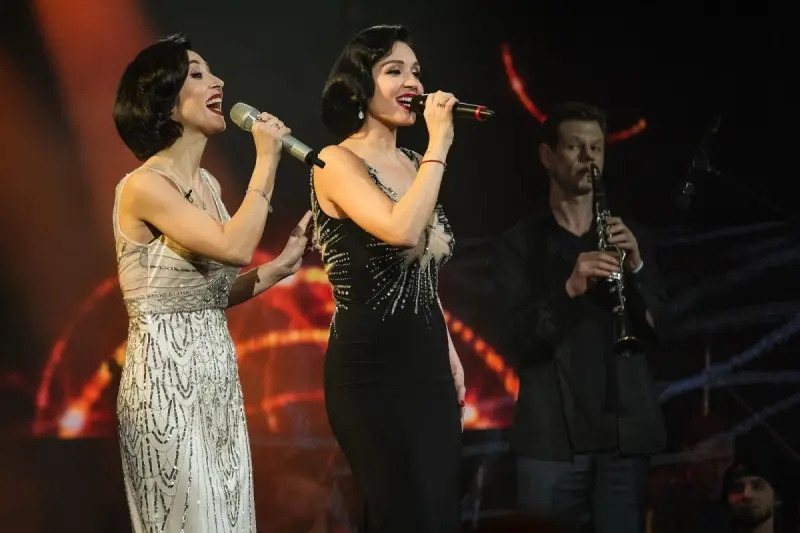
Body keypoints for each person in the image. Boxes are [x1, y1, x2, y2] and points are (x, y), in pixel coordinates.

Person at [112, 33, 311, 532]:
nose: (218, 82)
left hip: (217, 377)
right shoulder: (144, 186)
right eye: (197, 74)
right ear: (165, 101)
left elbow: (210, 295)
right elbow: (235, 246)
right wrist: (266, 159)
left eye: (211, 72)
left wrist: (278, 268)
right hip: (164, 384)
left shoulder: (208, 187)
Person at [310, 24, 465, 533]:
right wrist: (441, 141)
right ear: (359, 84)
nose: (413, 83)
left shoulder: (418, 164)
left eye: (416, 71)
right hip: (370, 371)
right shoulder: (335, 160)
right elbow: (401, 231)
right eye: (394, 70)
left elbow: (424, 273)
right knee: (401, 512)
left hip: (428, 364)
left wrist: (447, 347)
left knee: (439, 514)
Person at [492, 102, 673, 532]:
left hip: (623, 437)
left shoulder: (631, 237)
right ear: (547, 156)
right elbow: (515, 339)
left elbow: (665, 328)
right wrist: (570, 288)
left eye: (597, 147)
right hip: (551, 442)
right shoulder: (519, 244)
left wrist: (636, 268)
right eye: (575, 146)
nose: (589, 157)